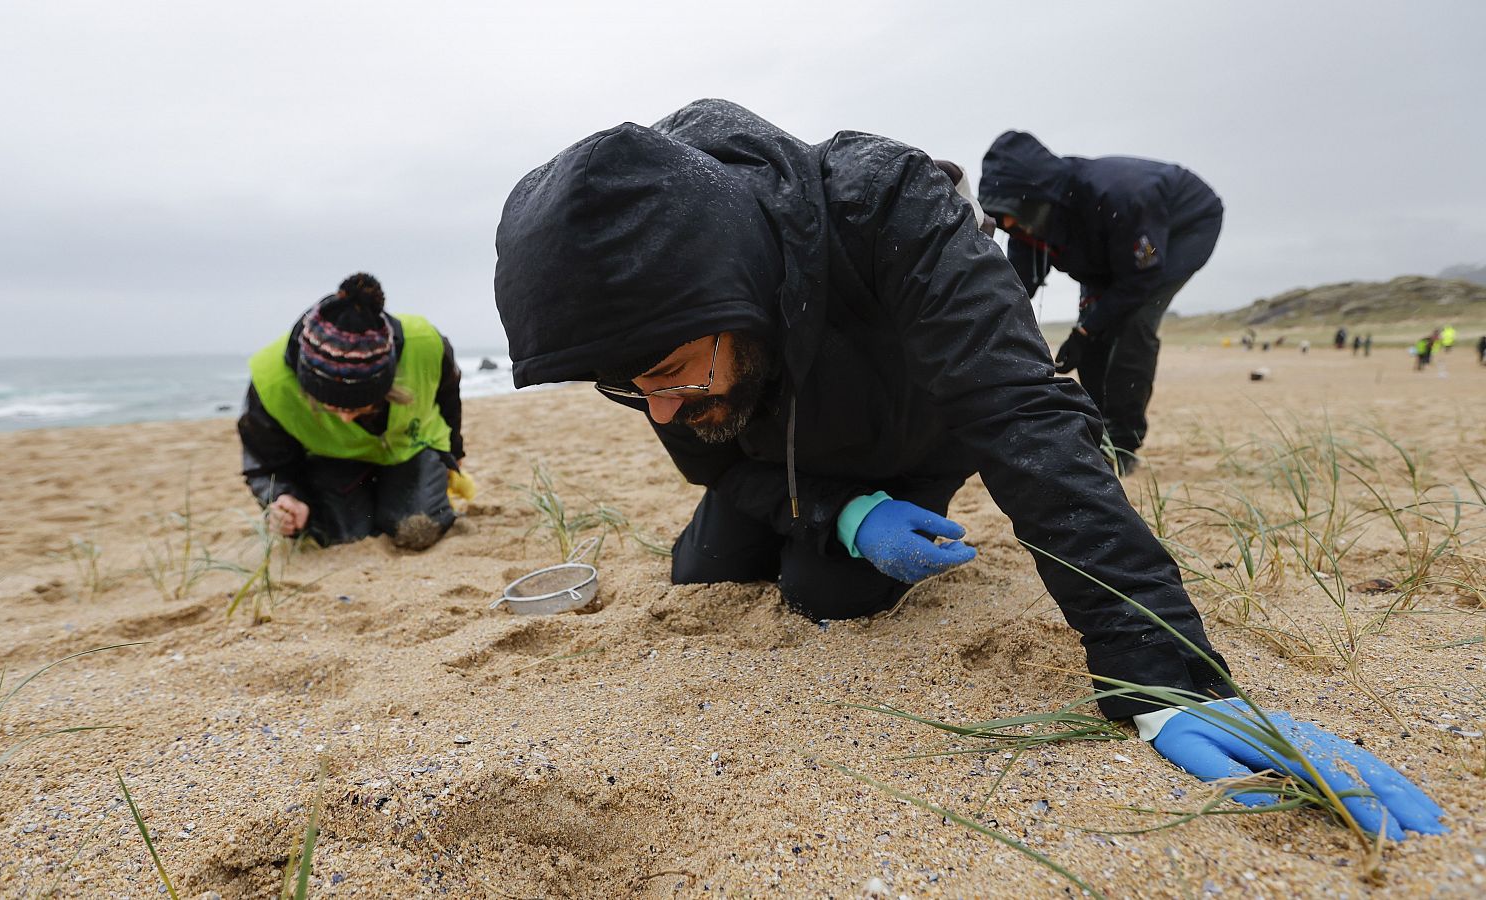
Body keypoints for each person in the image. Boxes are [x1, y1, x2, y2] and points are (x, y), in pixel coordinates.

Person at [492, 99, 1444, 840]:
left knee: (828, 593)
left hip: (912, 440)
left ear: (729, 278)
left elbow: (1021, 413)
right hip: (790, 468)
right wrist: (842, 509)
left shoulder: (889, 204)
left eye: (664, 374)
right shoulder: (649, 347)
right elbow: (715, 468)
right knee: (702, 571)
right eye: (626, 387)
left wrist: (1161, 670)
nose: (656, 405)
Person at [979, 132, 1223, 475]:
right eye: (1001, 216)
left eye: (1013, 214)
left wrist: (1084, 329)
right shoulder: (1025, 220)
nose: (1007, 225)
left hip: (1174, 230)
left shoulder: (1121, 194)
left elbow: (1141, 277)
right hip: (1108, 248)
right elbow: (1014, 290)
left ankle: (1122, 443)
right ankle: (1100, 435)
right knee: (1094, 333)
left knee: (1133, 323)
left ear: (1038, 197)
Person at [237, 273, 464, 550]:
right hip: (332, 464)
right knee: (345, 536)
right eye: (331, 406)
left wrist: (454, 452)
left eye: (363, 405)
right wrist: (284, 498)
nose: (345, 418)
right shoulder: (269, 380)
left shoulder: (424, 342)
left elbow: (448, 398)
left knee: (416, 529)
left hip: (412, 449)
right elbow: (264, 465)